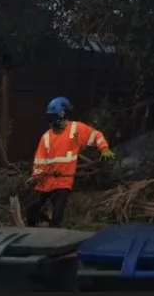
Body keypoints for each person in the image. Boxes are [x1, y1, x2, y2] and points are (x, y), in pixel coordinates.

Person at [26, 97, 115, 228]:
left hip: (63, 182)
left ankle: (53, 237)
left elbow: (96, 135)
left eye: (53, 118)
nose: (51, 122)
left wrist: (104, 148)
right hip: (46, 182)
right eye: (50, 119)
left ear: (62, 115)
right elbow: (40, 161)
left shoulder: (75, 131)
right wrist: (36, 177)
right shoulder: (46, 137)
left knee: (57, 216)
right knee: (31, 211)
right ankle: (36, 231)